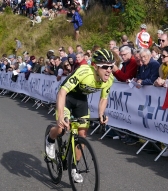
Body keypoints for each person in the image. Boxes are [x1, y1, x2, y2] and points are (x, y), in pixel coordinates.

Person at [45, 49, 115, 183]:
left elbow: (103, 98)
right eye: (105, 67)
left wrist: (101, 114)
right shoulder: (84, 71)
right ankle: (50, 139)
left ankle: (74, 167)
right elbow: (62, 92)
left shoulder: (109, 80)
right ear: (95, 66)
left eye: (111, 66)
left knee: (82, 134)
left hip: (81, 101)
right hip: (67, 97)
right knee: (61, 128)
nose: (109, 70)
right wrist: (60, 116)